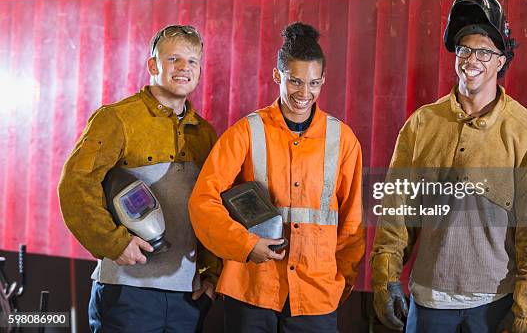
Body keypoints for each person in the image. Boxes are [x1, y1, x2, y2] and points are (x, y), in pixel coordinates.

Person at [370, 0, 527, 333]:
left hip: (494, 303)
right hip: (429, 301)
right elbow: (396, 209)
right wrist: (386, 277)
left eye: (484, 52)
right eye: (464, 49)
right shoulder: (422, 125)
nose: (471, 59)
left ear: (501, 61)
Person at [189, 22, 365, 332]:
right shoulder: (245, 132)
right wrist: (245, 245)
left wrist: (340, 281)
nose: (304, 93)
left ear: (323, 80)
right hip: (252, 289)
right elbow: (203, 201)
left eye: (313, 83)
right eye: (295, 81)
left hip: (316, 294)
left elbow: (351, 223)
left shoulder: (343, 139)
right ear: (277, 76)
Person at [58, 25, 221, 332]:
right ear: (152, 65)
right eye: (174, 59)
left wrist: (212, 273)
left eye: (193, 61)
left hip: (189, 295)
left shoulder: (204, 133)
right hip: (128, 293)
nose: (185, 68)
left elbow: (212, 205)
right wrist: (113, 243)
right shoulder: (117, 119)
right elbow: (76, 184)